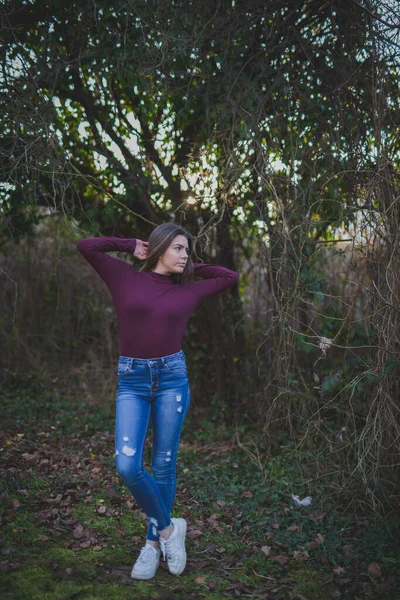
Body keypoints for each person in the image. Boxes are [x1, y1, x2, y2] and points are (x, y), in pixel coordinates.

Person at [76, 222, 239, 580]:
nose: (185, 255)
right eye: (179, 248)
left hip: (171, 380)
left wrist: (191, 267)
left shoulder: (188, 290)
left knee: (164, 463)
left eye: (187, 250)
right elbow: (86, 246)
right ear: (160, 247)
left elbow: (229, 275)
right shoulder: (123, 277)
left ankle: (151, 545)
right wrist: (129, 244)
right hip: (132, 381)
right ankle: (169, 529)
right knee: (127, 466)